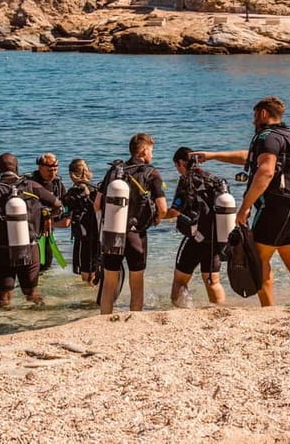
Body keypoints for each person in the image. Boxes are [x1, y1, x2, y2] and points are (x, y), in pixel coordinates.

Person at [192, 96, 290, 307]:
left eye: (254, 115)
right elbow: (248, 157)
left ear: (263, 114)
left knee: (257, 260)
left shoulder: (266, 137)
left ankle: (268, 310)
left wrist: (244, 208)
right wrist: (212, 155)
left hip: (275, 208)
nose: (252, 121)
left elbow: (265, 171)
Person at [0, 153, 62, 306]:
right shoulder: (31, 186)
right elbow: (57, 205)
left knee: (3, 296)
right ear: (17, 168)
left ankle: (5, 326)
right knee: (31, 293)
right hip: (30, 247)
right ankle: (42, 321)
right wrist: (47, 217)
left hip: (1, 250)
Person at [94, 133, 167, 314]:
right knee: (136, 281)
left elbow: (96, 205)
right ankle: (134, 318)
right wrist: (157, 218)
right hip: (136, 234)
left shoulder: (113, 171)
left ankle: (104, 320)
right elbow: (163, 208)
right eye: (151, 151)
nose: (152, 155)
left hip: (112, 233)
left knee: (110, 282)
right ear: (143, 150)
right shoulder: (152, 173)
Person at [162, 147, 226, 307]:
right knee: (212, 279)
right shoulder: (214, 179)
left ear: (182, 162)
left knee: (180, 279)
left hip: (197, 238)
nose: (178, 170)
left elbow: (174, 211)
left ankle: (178, 310)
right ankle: (220, 310)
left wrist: (158, 217)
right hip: (216, 238)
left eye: (177, 166)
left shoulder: (186, 180)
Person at [29, 152, 70, 273]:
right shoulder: (30, 184)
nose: (53, 173)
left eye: (55, 170)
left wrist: (67, 216)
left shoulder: (57, 184)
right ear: (40, 167)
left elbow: (66, 203)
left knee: (46, 263)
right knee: (33, 264)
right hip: (32, 230)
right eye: (49, 170)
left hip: (48, 230)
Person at [64, 158, 100, 284]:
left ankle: (88, 299)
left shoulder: (72, 194)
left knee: (85, 273)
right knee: (96, 269)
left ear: (71, 174)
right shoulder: (97, 190)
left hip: (83, 237)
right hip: (98, 235)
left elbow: (66, 220)